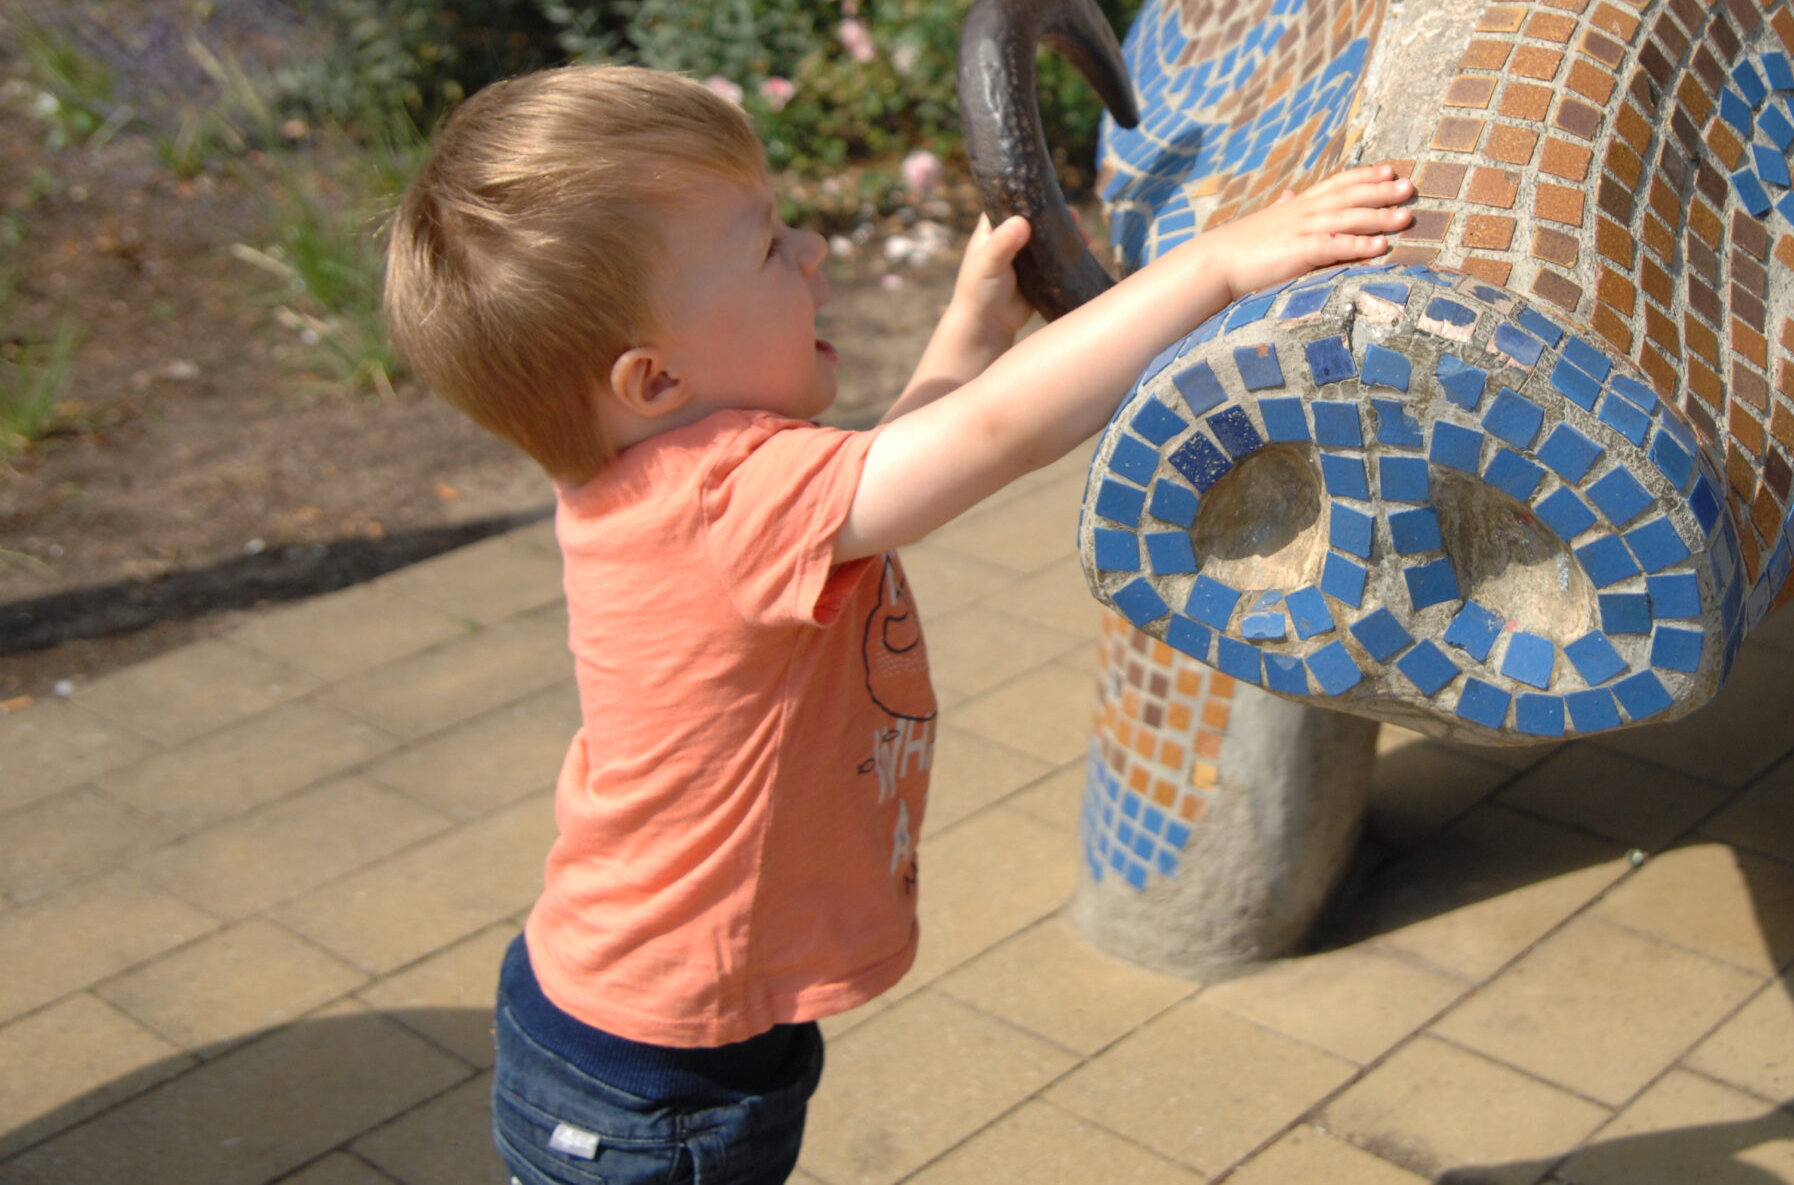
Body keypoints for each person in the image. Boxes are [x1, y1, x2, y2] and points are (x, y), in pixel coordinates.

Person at [380, 64, 1413, 1185]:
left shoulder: (671, 481)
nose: (816, 253)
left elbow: (891, 475)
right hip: (657, 1080)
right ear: (654, 375)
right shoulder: (724, 499)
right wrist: (1211, 268)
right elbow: (995, 436)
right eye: (772, 245)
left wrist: (963, 338)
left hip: (643, 1021)